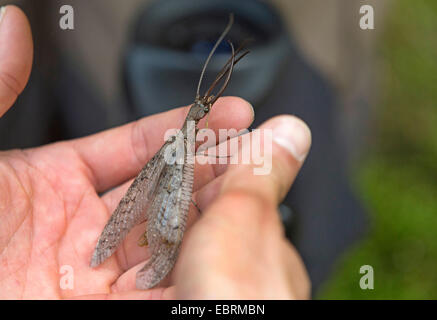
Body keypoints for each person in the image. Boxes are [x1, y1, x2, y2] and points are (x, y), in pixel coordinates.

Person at [0, 6, 311, 299]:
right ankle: (155, 245)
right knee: (177, 189)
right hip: (172, 186)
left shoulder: (187, 131)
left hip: (173, 169)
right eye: (202, 109)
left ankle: (151, 240)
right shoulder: (187, 137)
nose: (203, 109)